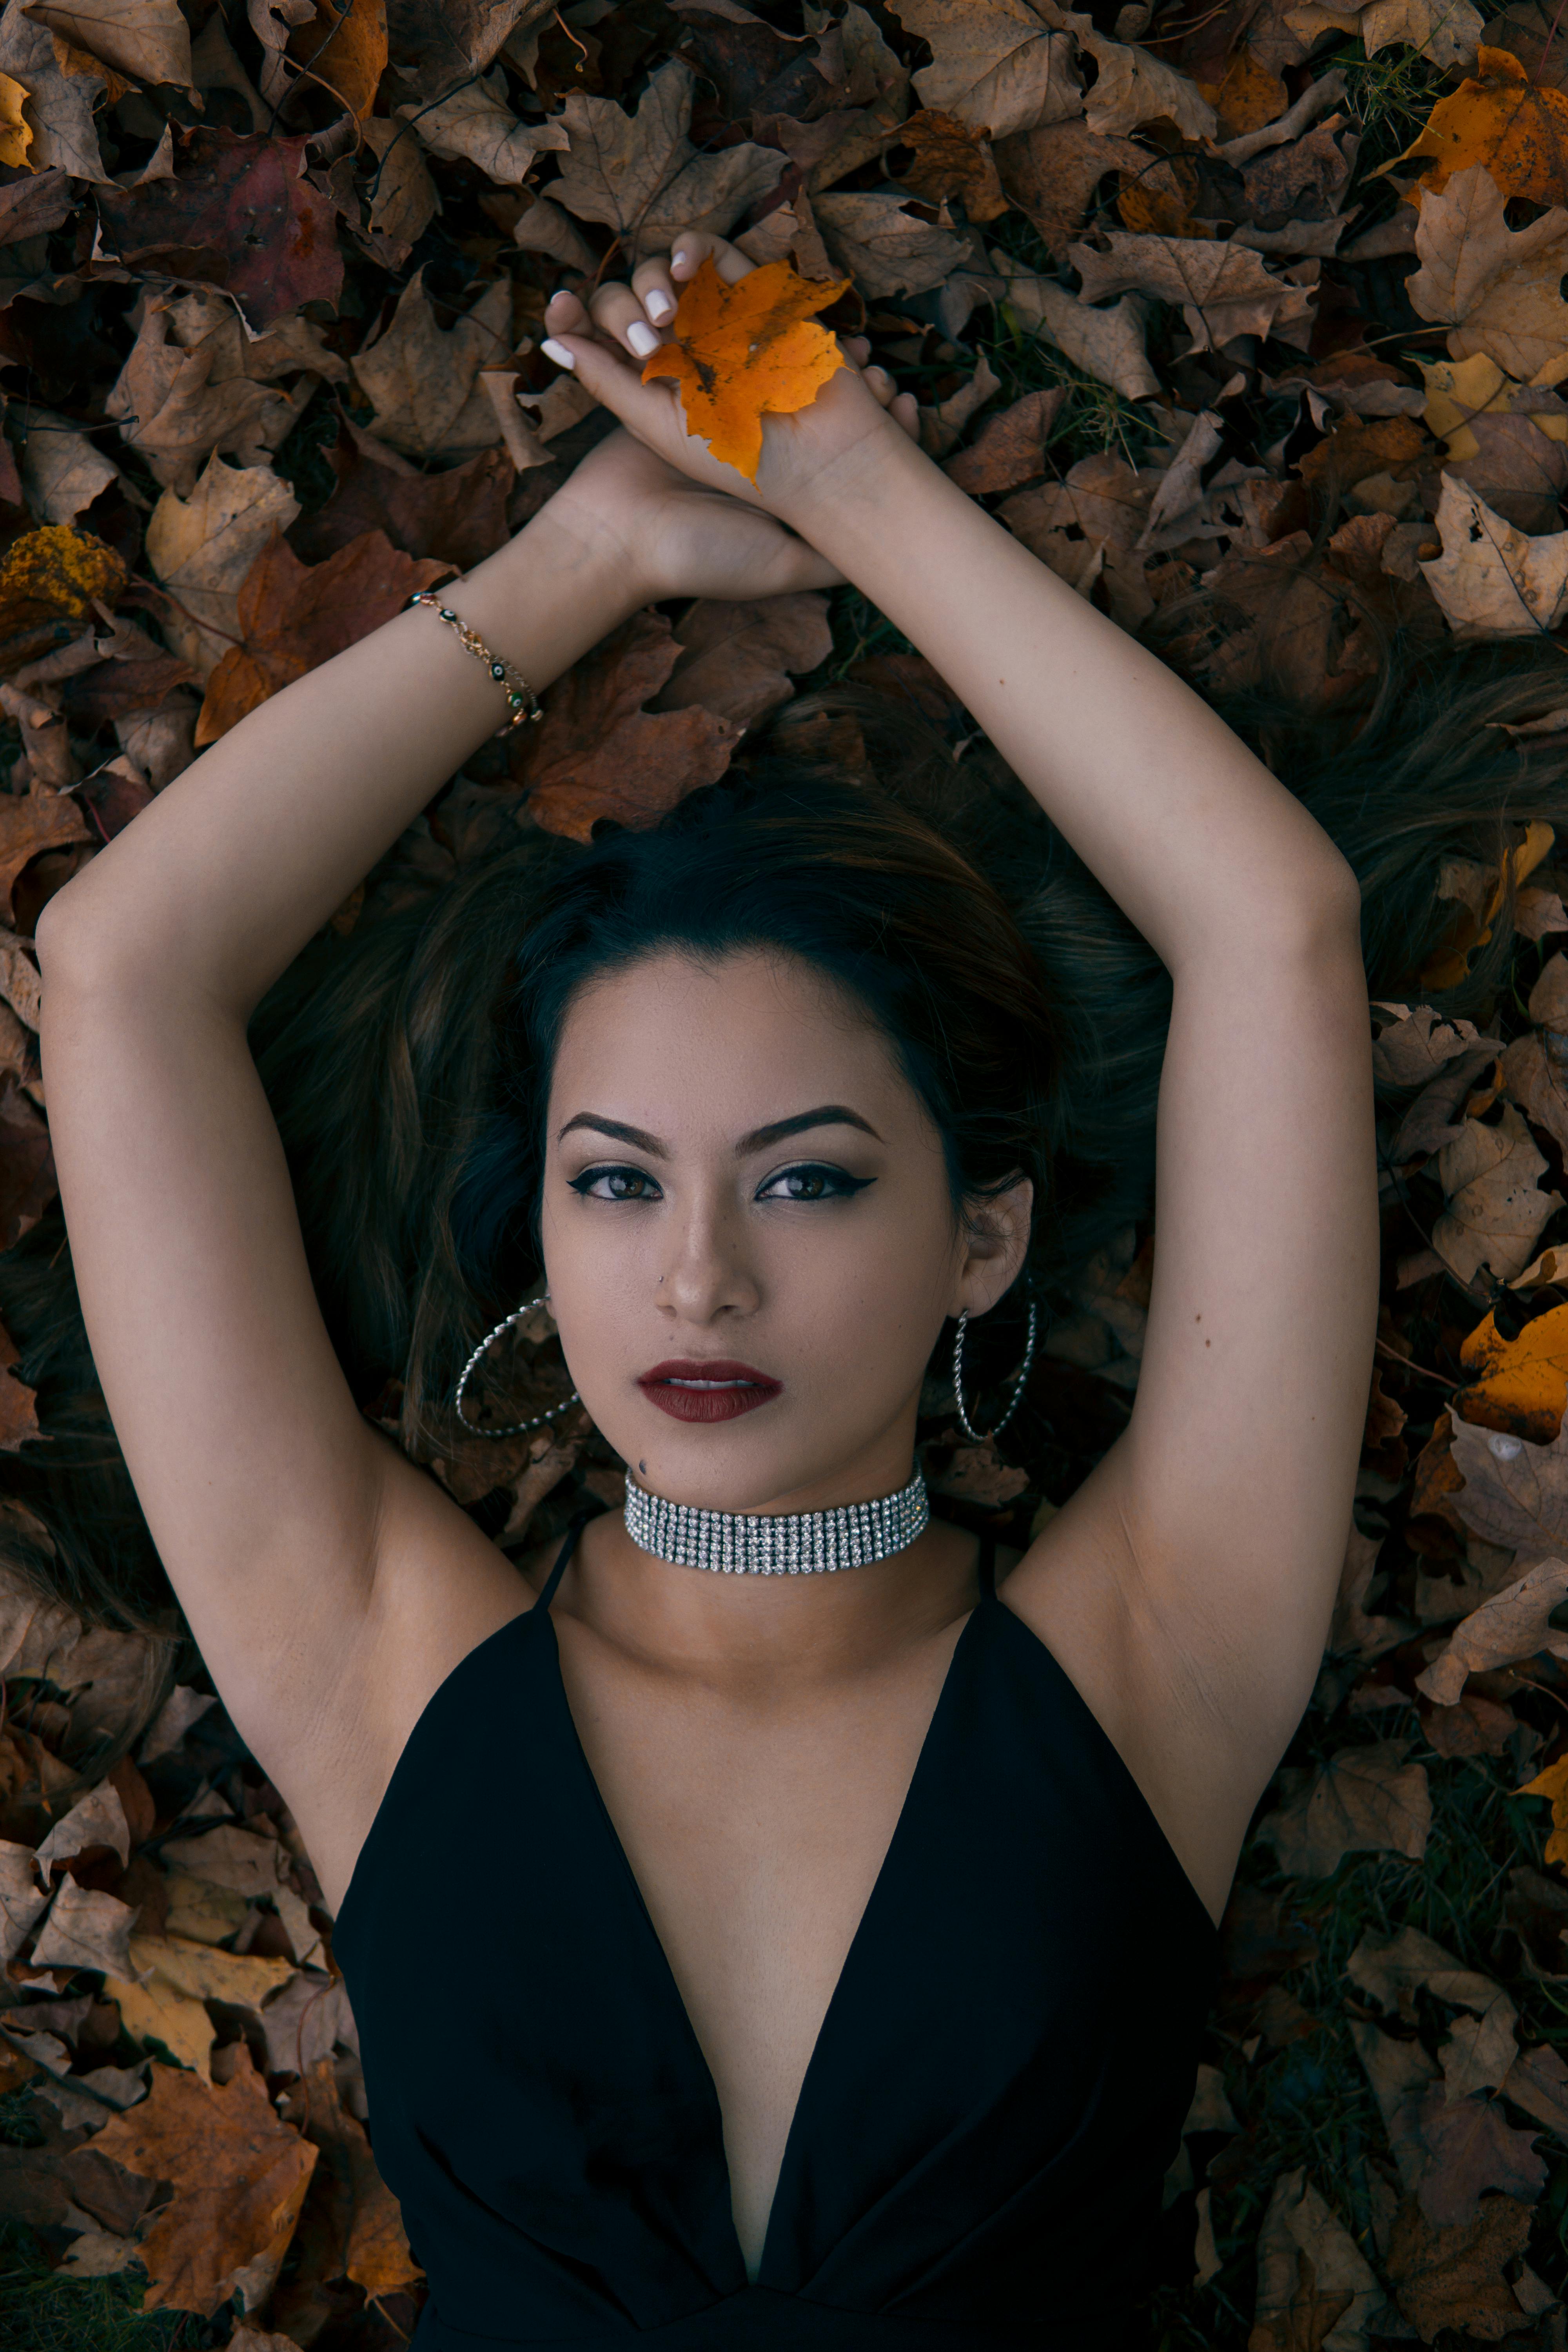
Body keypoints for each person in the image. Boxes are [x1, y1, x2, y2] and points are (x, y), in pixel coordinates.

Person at [22, 231, 1560, 2347]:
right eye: (618, 1180)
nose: (702, 1276)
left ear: (982, 1239)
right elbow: (121, 969)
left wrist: (852, 486)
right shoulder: (370, 1671)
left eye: (811, 1182)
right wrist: (583, 564)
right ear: (545, 1245)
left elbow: (1269, 926)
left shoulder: (1157, 1659)